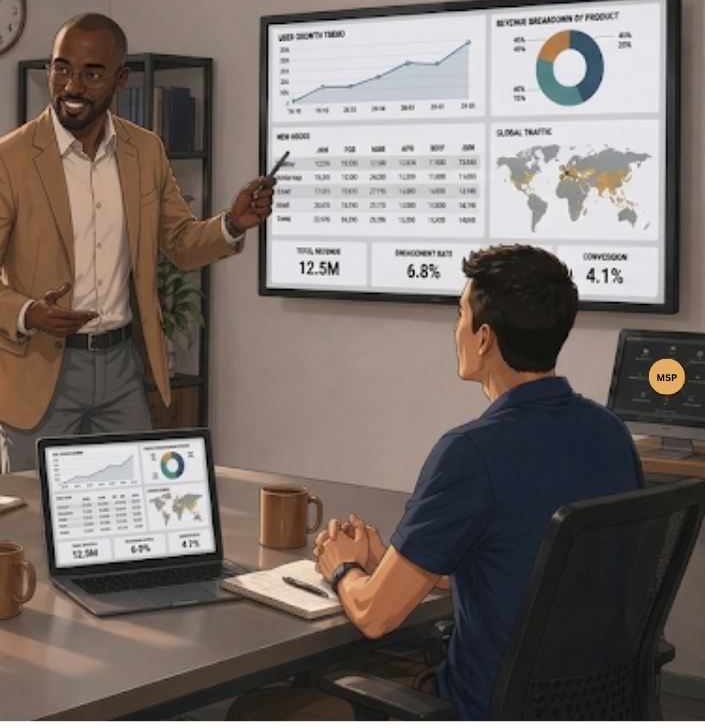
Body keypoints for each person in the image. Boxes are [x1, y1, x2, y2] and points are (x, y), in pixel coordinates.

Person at [228, 244, 645, 721]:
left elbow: (375, 615)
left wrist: (344, 568)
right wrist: (389, 564)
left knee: (256, 707)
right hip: (588, 703)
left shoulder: (471, 453)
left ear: (484, 338)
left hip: (479, 706)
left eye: (460, 315)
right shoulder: (610, 433)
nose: (456, 331)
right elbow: (528, 566)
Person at [0, 12, 274, 473]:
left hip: (121, 367)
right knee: (37, 525)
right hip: (37, 368)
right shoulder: (5, 160)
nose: (72, 86)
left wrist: (232, 225)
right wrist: (29, 313)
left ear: (121, 79)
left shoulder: (146, 151)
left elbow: (179, 242)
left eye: (92, 73)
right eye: (61, 69)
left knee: (123, 520)